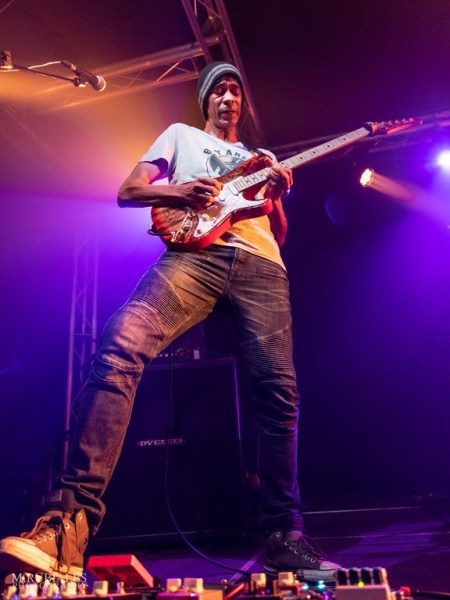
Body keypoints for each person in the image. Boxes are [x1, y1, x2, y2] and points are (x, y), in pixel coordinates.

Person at [0, 61, 340, 583]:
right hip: (194, 258)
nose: (229, 97)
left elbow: (279, 232)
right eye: (219, 90)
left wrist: (275, 197)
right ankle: (68, 526)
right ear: (206, 99)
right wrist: (180, 192)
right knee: (120, 344)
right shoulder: (180, 136)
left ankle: (284, 538)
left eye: (235, 90)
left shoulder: (263, 158)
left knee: (279, 393)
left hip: (262, 266)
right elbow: (129, 191)